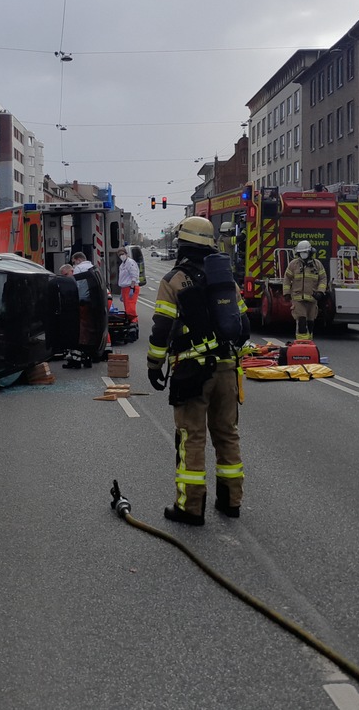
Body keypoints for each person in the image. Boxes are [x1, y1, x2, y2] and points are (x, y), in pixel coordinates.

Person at [146, 216, 250, 526]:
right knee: (227, 434)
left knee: (191, 438)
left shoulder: (174, 280)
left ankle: (190, 508)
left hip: (192, 372)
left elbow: (161, 329)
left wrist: (154, 365)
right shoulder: (225, 281)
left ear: (182, 244)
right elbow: (243, 328)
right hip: (228, 370)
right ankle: (231, 502)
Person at [282, 239, 328, 339]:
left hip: (312, 298)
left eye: (305, 252)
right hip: (298, 299)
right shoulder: (293, 264)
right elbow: (287, 278)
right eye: (301, 253)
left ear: (310, 252)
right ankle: (301, 342)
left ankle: (309, 342)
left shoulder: (317, 265)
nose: (303, 254)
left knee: (310, 322)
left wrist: (320, 292)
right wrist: (286, 293)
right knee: (301, 320)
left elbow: (323, 279)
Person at [64, 251, 97, 369]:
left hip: (82, 303)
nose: (74, 265)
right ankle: (87, 357)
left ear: (78, 259)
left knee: (80, 331)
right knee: (89, 330)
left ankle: (76, 359)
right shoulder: (93, 267)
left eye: (74, 262)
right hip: (92, 303)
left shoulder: (79, 269)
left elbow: (76, 287)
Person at [117, 246, 140, 323]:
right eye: (119, 255)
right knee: (127, 308)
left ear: (126, 254)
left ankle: (134, 323)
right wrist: (121, 292)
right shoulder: (122, 265)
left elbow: (134, 275)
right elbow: (123, 279)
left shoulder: (130, 262)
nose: (121, 256)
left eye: (122, 254)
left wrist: (132, 288)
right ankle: (131, 322)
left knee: (130, 308)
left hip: (130, 287)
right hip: (125, 288)